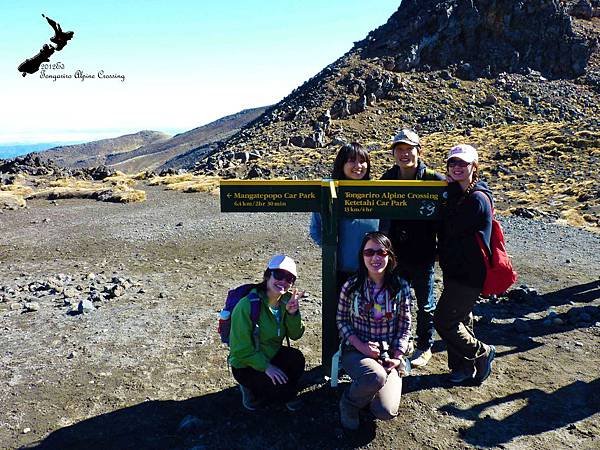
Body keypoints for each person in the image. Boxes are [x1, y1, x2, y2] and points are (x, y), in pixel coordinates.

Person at [380, 129, 444, 368]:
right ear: (393, 153)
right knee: (394, 300)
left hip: (424, 253)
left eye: (409, 149)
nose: (404, 154)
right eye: (399, 149)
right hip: (395, 254)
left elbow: (444, 218)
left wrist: (441, 248)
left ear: (419, 151)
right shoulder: (387, 179)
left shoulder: (434, 181)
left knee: (425, 302)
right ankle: (400, 341)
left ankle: (425, 345)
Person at [309, 142, 379, 362]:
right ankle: (337, 360)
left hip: (373, 271)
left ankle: (363, 358)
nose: (358, 166)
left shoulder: (377, 192)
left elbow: (386, 228)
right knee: (341, 317)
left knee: (371, 315)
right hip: (341, 270)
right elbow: (317, 230)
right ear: (342, 164)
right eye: (352, 160)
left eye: (362, 161)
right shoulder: (328, 192)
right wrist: (334, 252)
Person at [336, 232, 412, 430]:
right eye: (369, 252)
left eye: (381, 252)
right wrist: (361, 346)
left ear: (390, 256)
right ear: (362, 256)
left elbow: (405, 325)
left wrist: (397, 355)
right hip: (356, 352)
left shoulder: (401, 287)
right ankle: (350, 403)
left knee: (385, 411)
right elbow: (342, 320)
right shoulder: (351, 287)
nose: (375, 258)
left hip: (389, 355)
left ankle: (369, 391)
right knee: (375, 376)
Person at [434, 144, 496, 385]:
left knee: (444, 320)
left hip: (468, 274)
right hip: (456, 270)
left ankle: (481, 352)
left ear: (474, 167)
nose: (457, 167)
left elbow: (449, 228)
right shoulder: (459, 194)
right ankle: (462, 368)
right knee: (461, 319)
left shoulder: (476, 199)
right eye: (453, 163)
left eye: (463, 163)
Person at [229, 254, 306, 411]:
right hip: (246, 363)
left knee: (297, 359)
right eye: (278, 275)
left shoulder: (286, 301)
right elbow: (240, 349)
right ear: (267, 275)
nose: (283, 281)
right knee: (277, 392)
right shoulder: (247, 305)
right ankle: (250, 389)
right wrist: (267, 367)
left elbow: (296, 335)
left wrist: (292, 314)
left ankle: (280, 390)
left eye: (289, 278)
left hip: (271, 353)